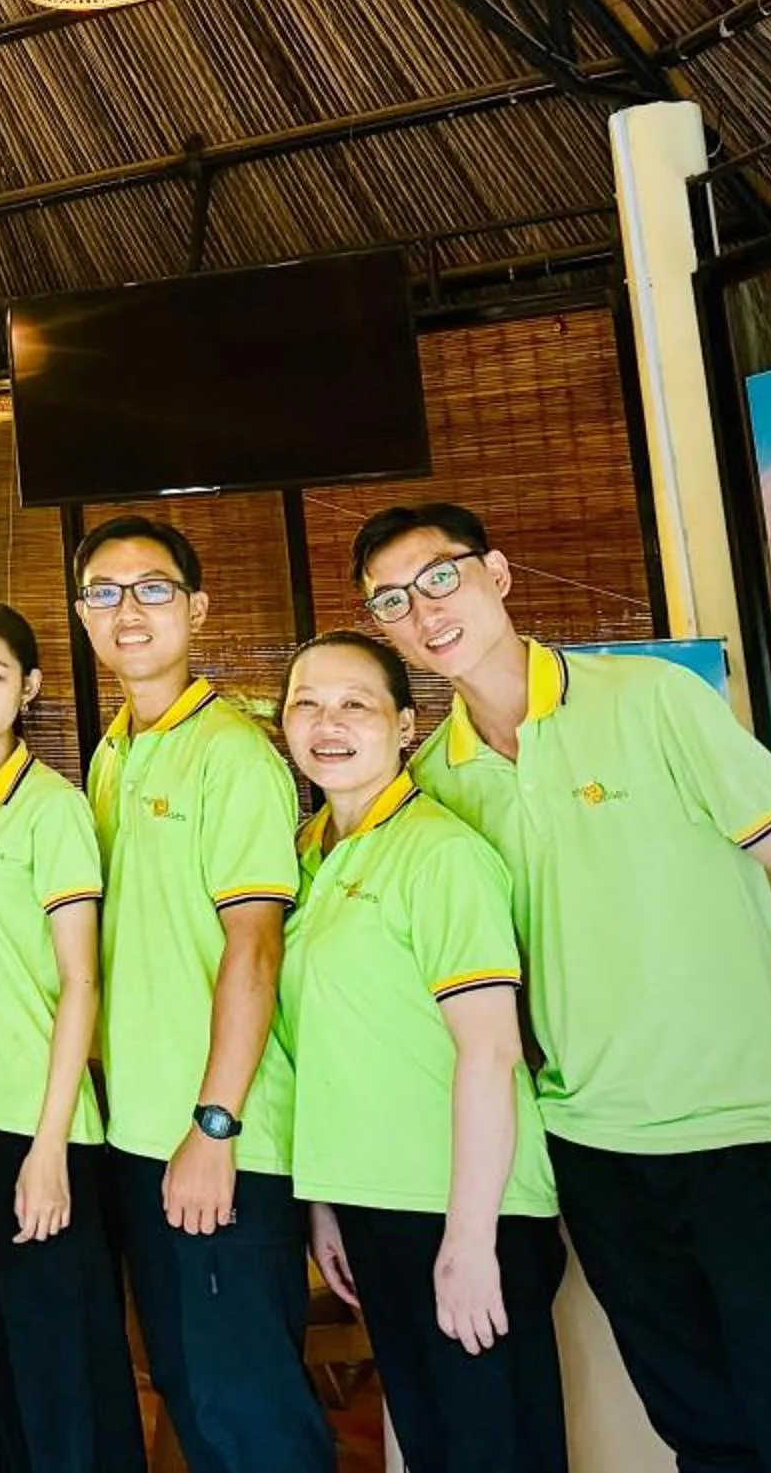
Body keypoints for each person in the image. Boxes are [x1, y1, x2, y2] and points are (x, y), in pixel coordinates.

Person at [356, 501, 771, 1473]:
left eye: (440, 576)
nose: (425, 609)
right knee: (702, 1430)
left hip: (750, 1133)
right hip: (596, 1153)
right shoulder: (437, 782)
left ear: (498, 573)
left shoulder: (649, 699)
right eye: (392, 600)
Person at [274, 631, 565, 1473]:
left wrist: (470, 1242)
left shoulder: (440, 854)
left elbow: (490, 1052)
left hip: (471, 1206)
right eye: (307, 704)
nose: (328, 724)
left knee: (494, 1450)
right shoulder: (307, 854)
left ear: (406, 724)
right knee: (436, 1444)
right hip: (374, 1204)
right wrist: (327, 1202)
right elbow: (330, 1044)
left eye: (355, 704)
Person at [75, 514, 330, 1473]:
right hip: (139, 1135)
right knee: (189, 1388)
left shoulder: (232, 755)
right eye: (104, 591)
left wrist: (215, 1126)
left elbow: (254, 950)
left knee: (249, 1408)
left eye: (152, 589)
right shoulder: (111, 754)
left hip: (222, 1139)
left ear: (197, 608)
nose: (127, 610)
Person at [0, 601, 144, 1473]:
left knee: (65, 1365)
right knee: (1, 1354)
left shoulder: (52, 808)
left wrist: (49, 1146)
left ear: (29, 688)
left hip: (42, 1125)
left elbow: (81, 979)